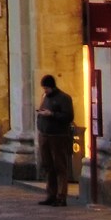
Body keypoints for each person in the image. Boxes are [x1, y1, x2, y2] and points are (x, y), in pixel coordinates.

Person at [35, 74, 76, 206]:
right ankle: (51, 194)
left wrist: (51, 114)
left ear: (52, 86)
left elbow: (68, 116)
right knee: (48, 166)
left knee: (60, 166)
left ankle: (61, 196)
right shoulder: (45, 97)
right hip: (45, 135)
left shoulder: (64, 98)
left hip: (58, 136)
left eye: (46, 88)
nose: (45, 90)